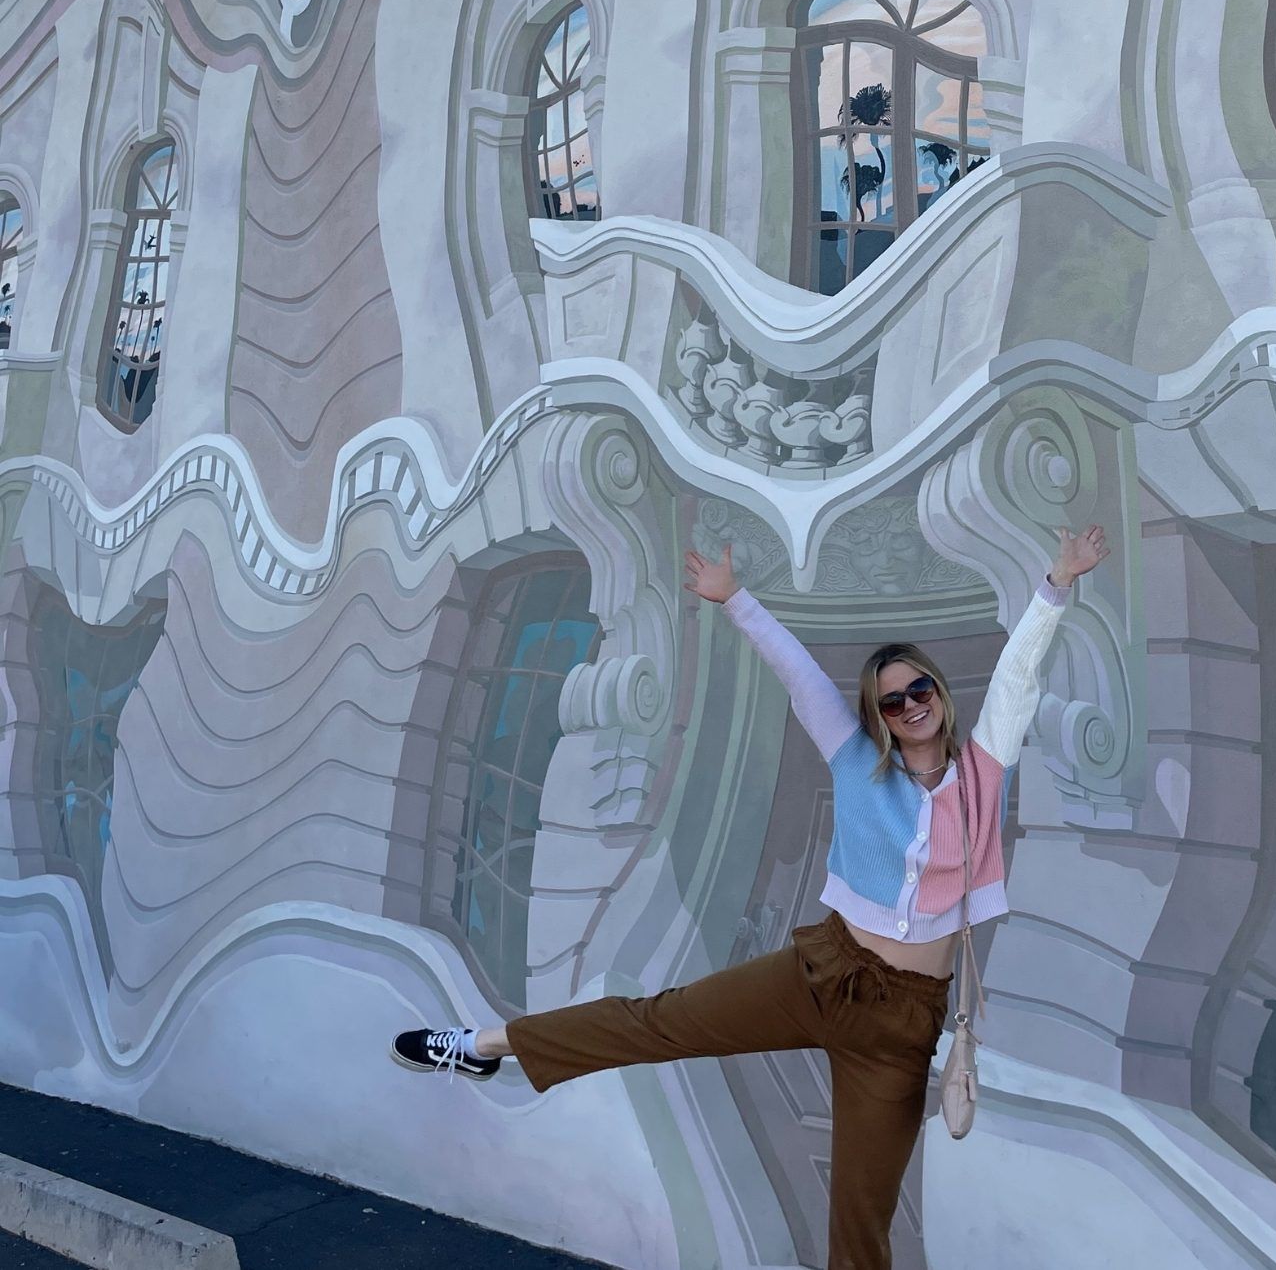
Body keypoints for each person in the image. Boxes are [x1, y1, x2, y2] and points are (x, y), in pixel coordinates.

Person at [392, 523, 1109, 1269]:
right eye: (893, 700)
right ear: (879, 717)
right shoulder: (858, 762)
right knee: (657, 1021)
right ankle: (484, 1045)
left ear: (940, 695)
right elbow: (799, 677)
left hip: (902, 1020)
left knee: (861, 1223)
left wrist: (1055, 585)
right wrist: (735, 600)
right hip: (823, 971)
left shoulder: (984, 773)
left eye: (920, 688)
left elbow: (1017, 678)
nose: (911, 703)